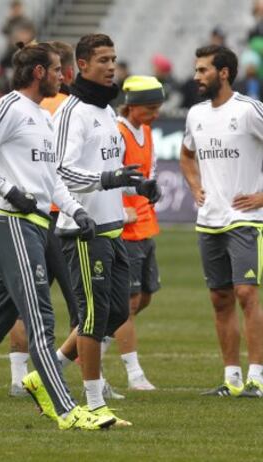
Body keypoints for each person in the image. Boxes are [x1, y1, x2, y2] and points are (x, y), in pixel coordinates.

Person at [0, 41, 115, 431]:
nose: (62, 76)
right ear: (38, 72)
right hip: (14, 224)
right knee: (41, 319)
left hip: (36, 225)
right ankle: (69, 411)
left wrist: (76, 210)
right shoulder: (8, 107)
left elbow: (50, 179)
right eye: (56, 69)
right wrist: (6, 189)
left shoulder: (43, 116)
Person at [23, 34, 160, 426]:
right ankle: (94, 403)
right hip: (84, 229)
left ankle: (43, 372)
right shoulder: (73, 112)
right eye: (102, 59)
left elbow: (112, 170)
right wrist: (108, 178)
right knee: (95, 315)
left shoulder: (106, 111)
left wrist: (138, 186)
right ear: (80, 66)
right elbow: (60, 171)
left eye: (114, 58)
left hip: (113, 227)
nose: (111, 65)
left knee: (116, 312)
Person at [180, 45, 263, 397]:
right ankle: (231, 378)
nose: (196, 77)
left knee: (246, 293)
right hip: (209, 219)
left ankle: (257, 378)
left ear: (224, 72)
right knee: (219, 298)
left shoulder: (248, 111)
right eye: (196, 70)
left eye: (203, 70)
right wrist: (195, 185)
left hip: (246, 217)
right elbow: (186, 154)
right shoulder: (195, 114)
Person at [8, 41, 78, 398]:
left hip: (26, 217)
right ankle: (65, 374)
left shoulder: (31, 106)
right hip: (56, 220)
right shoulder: (67, 108)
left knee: (22, 301)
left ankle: (18, 377)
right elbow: (65, 169)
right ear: (65, 70)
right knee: (79, 305)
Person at [101, 75, 164, 392]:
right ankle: (134, 372)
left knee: (146, 297)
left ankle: (97, 348)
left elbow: (146, 173)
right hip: (125, 227)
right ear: (132, 106)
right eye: (150, 108)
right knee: (129, 301)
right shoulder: (118, 133)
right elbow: (111, 178)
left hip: (145, 223)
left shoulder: (147, 130)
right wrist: (118, 209)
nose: (155, 114)